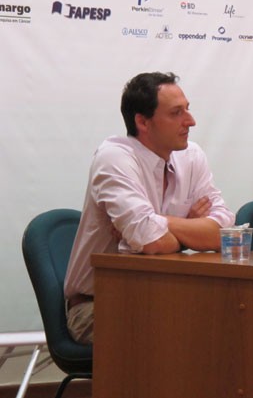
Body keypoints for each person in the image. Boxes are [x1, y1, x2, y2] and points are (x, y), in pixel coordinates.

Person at [64, 72, 235, 344]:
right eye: (176, 113)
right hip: (98, 305)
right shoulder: (114, 157)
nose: (191, 121)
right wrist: (188, 230)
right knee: (184, 333)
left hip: (164, 296)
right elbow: (153, 240)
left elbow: (224, 234)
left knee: (231, 322)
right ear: (142, 122)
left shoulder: (191, 155)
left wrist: (159, 222)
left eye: (187, 109)